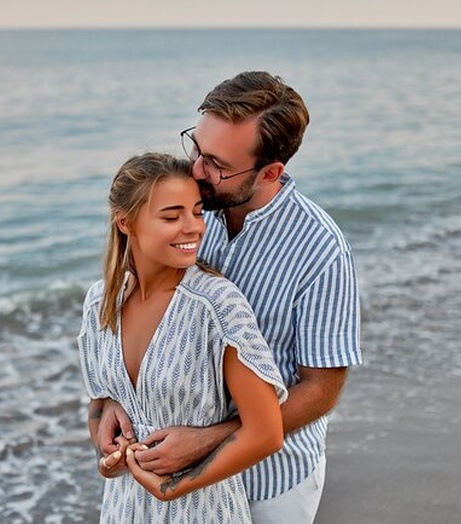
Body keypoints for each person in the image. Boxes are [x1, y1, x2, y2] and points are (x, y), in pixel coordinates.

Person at [92, 71, 362, 523]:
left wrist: (212, 437)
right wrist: (112, 404)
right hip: (176, 482)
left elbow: (320, 389)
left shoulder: (321, 250)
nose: (196, 171)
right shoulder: (192, 209)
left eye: (216, 163)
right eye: (195, 147)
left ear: (270, 171)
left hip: (269, 482)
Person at [78, 152, 288, 523]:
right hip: (124, 508)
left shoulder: (217, 305)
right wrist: (106, 453)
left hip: (203, 509)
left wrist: (174, 487)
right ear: (125, 223)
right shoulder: (101, 302)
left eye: (196, 211)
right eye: (172, 216)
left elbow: (267, 432)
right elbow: (101, 404)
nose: (193, 227)